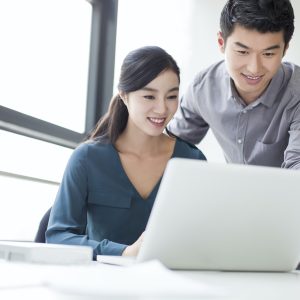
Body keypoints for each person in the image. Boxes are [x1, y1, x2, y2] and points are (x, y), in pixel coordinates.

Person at [46, 46, 206, 258]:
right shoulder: (87, 159)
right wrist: (123, 252)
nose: (162, 109)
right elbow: (58, 236)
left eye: (171, 96)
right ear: (124, 95)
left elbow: (203, 235)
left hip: (170, 283)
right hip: (103, 283)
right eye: (149, 97)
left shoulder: (192, 160)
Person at [168, 0, 300, 169]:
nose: (254, 68)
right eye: (242, 52)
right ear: (221, 43)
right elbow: (170, 149)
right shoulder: (204, 88)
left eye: (268, 54)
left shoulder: (296, 94)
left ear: (285, 49)